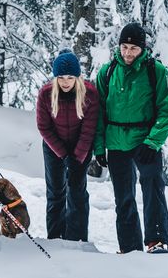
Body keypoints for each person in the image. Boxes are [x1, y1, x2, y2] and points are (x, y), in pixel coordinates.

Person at [94, 23, 168, 254]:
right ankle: (129, 248)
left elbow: (167, 110)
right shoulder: (107, 72)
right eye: (124, 47)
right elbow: (98, 113)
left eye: (133, 48)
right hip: (116, 143)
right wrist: (99, 148)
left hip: (145, 142)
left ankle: (157, 241)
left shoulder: (156, 71)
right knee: (124, 198)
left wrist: (153, 142)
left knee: (153, 190)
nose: (128, 53)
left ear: (143, 49)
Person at [36, 50, 100, 242]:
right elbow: (43, 127)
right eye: (61, 77)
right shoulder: (46, 94)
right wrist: (64, 155)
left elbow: (89, 130)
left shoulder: (90, 93)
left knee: (76, 191)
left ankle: (76, 239)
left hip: (81, 146)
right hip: (54, 146)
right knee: (55, 191)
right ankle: (55, 238)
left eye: (70, 77)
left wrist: (77, 158)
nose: (65, 82)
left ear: (77, 77)